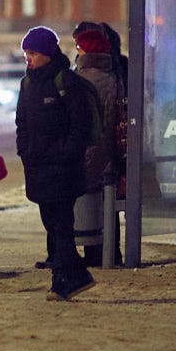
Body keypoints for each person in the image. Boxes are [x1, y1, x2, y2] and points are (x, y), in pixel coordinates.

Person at [16, 26, 95, 301]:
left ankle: (61, 280)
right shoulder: (27, 84)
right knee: (52, 224)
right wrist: (24, 151)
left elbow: (80, 124)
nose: (28, 57)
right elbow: (21, 123)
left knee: (61, 225)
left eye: (33, 52)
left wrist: (66, 153)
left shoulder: (66, 81)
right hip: (38, 168)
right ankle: (78, 276)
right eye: (26, 52)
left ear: (48, 53)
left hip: (62, 169)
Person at [72, 28, 123, 266]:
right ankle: (111, 253)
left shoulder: (82, 78)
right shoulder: (114, 75)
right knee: (108, 205)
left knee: (84, 202)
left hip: (88, 149)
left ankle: (91, 255)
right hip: (111, 150)